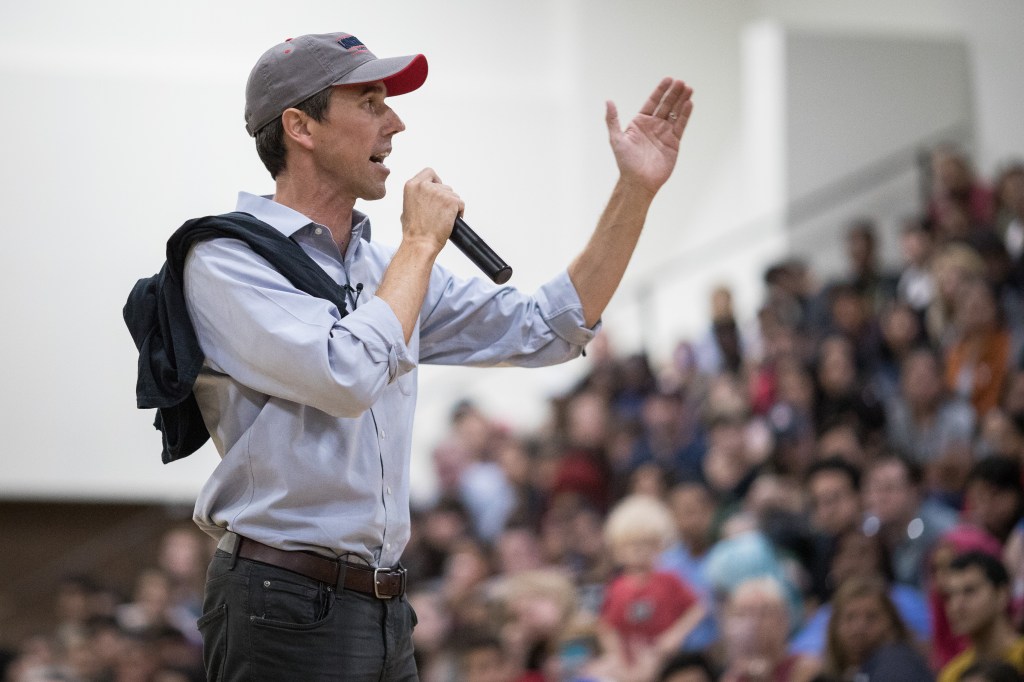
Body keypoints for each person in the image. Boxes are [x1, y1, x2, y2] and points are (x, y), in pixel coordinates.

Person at [124, 31, 694, 681]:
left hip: (383, 603)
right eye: (370, 103)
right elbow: (345, 376)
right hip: (279, 598)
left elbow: (548, 328)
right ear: (299, 126)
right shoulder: (226, 261)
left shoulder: (382, 267)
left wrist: (635, 193)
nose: (395, 122)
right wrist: (420, 244)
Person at [597, 494, 705, 678]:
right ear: (619, 549)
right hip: (630, 664)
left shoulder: (668, 580)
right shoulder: (617, 587)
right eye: (631, 544)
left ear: (659, 546)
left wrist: (674, 637)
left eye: (647, 543)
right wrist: (617, 657)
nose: (639, 550)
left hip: (668, 661)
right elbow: (607, 626)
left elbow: (697, 608)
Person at [820, 575, 933, 682]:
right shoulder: (833, 675)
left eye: (871, 617)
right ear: (834, 625)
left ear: (891, 624)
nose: (859, 627)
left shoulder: (897, 665)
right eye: (850, 618)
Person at [938, 552, 1024, 682]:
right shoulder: (952, 674)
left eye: (969, 591)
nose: (956, 606)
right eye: (949, 596)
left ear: (1002, 594)